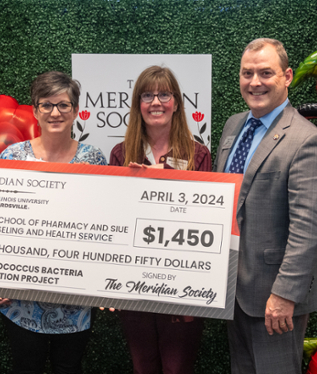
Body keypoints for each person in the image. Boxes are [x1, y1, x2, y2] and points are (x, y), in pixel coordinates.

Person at [214, 38, 317, 374]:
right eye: (247, 73)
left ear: (288, 77)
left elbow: (308, 231)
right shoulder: (233, 126)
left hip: (275, 300)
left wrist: (284, 295)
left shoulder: (309, 141)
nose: (255, 82)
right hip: (232, 291)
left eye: (266, 72)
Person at [0, 70, 107, 374]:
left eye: (64, 105)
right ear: (35, 110)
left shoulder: (94, 160)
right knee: (25, 368)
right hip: (20, 301)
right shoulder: (12, 158)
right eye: (46, 105)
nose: (55, 112)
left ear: (76, 111)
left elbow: (104, 226)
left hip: (75, 299)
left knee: (69, 368)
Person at [109, 65, 211, 374]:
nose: (156, 102)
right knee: (144, 368)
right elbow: (112, 219)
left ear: (177, 102)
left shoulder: (197, 155)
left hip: (182, 283)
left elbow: (207, 219)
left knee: (177, 369)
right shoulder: (120, 154)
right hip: (135, 285)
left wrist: (165, 181)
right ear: (138, 104)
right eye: (147, 95)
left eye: (164, 94)